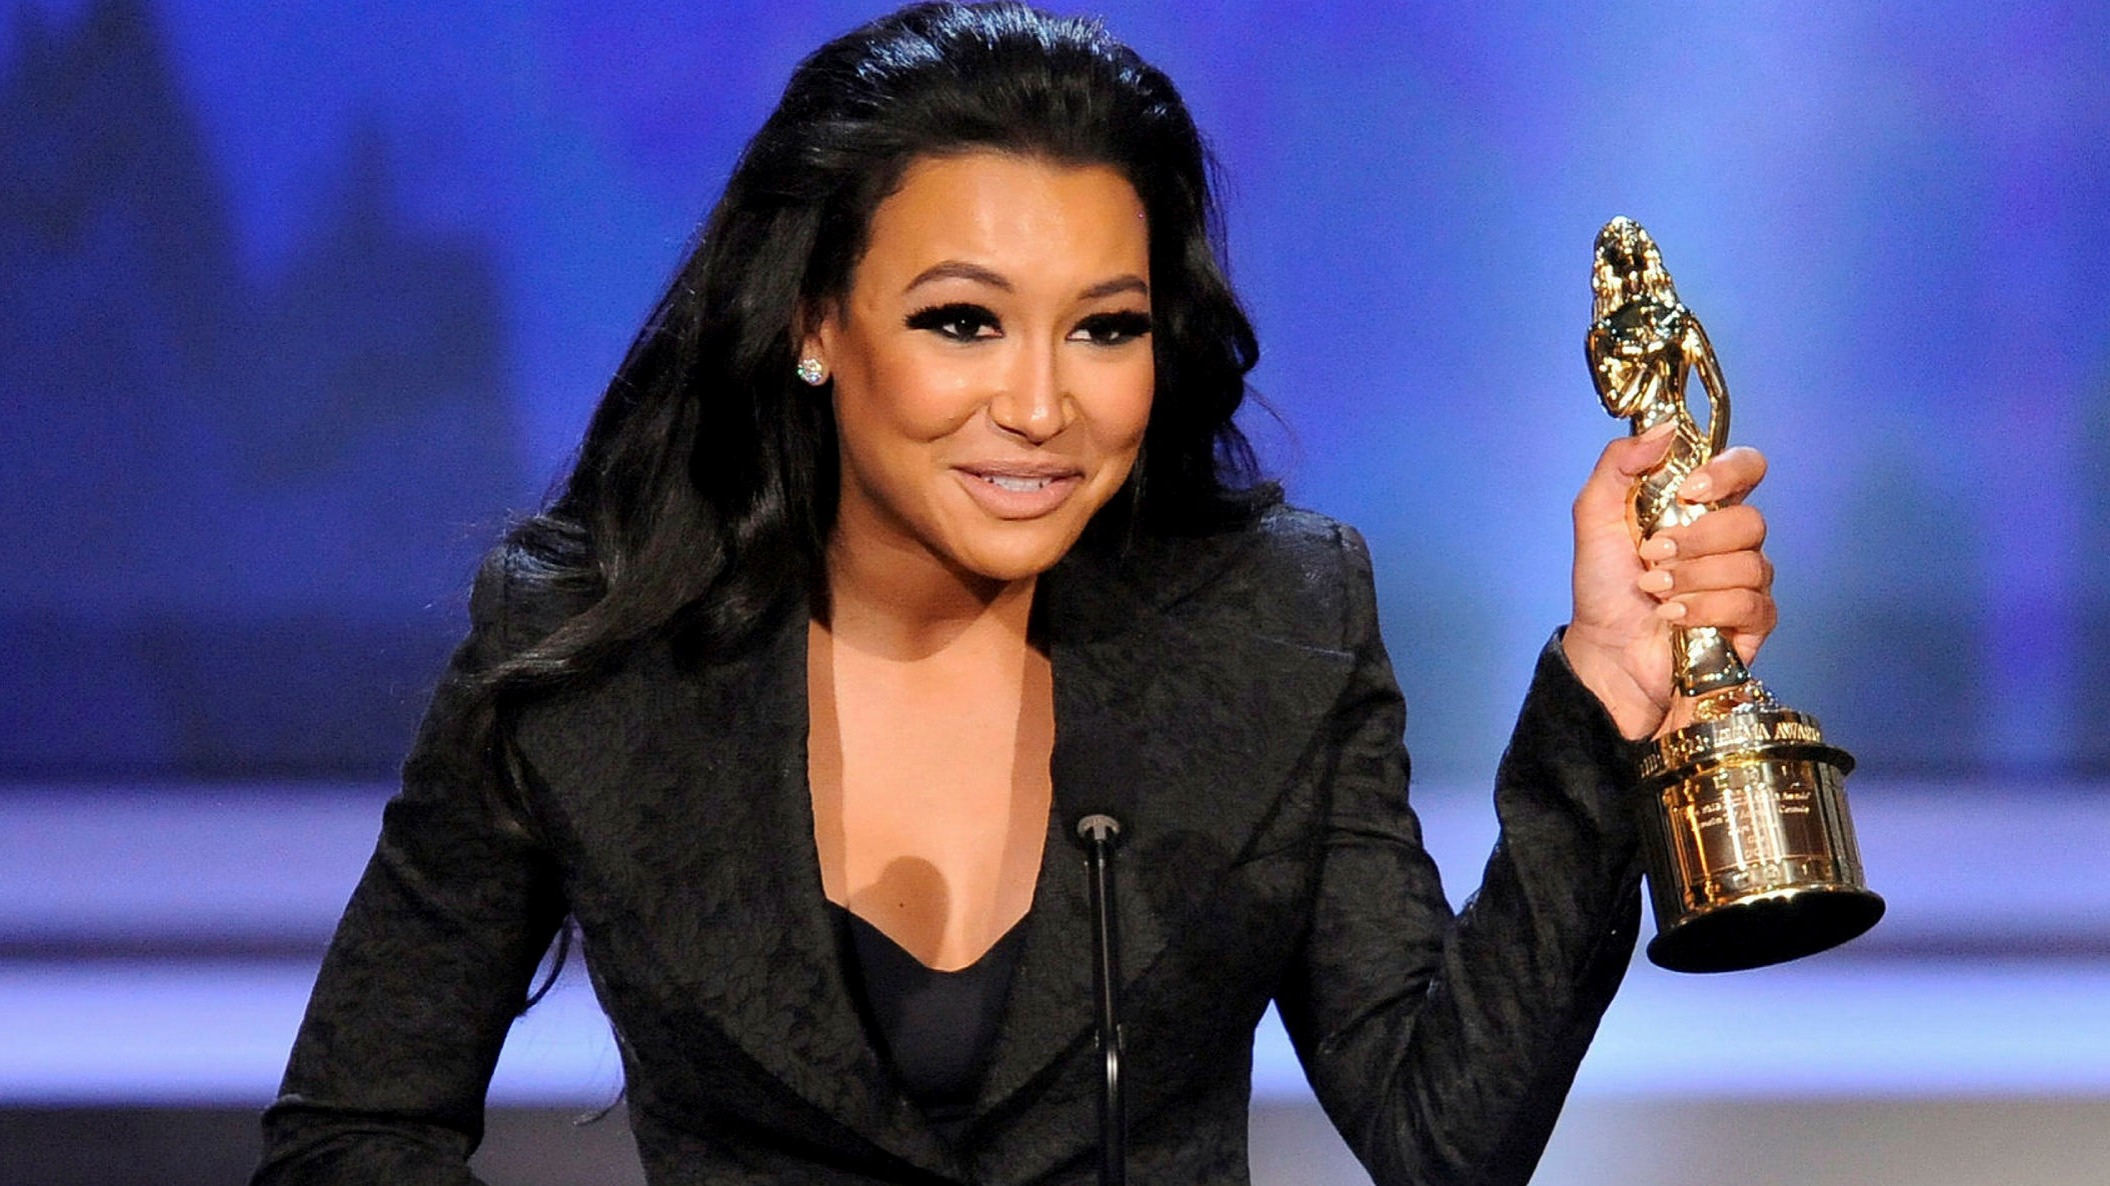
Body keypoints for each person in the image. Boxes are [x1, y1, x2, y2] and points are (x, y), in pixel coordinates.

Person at [252, 4, 1779, 1184]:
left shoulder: (1274, 619)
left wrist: (1607, 686)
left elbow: (1441, 1133)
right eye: (962, 321)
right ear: (813, 321)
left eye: (1104, 328)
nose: (1042, 407)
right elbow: (352, 1131)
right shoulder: (592, 642)